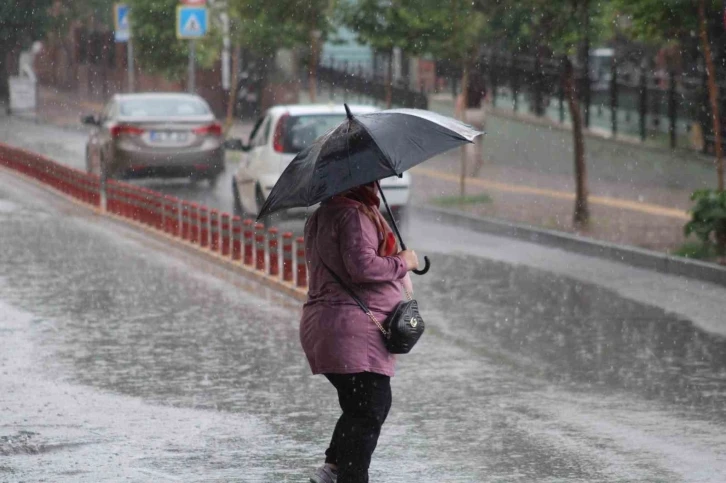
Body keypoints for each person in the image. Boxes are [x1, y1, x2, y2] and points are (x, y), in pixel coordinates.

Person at [301, 182, 419, 483]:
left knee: (360, 406)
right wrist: (402, 262)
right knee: (369, 408)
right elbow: (362, 267)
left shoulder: (323, 214)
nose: (376, 186)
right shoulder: (353, 215)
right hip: (352, 329)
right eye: (372, 179)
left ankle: (333, 469)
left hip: (331, 326)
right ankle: (349, 476)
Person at [455, 71, 488, 177]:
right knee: (479, 140)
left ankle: (473, 159)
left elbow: (460, 101)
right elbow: (487, 99)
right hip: (480, 115)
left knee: (469, 139)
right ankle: (478, 159)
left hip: (468, 114)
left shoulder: (466, 86)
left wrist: (457, 115)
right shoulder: (482, 87)